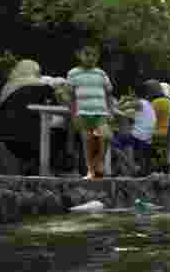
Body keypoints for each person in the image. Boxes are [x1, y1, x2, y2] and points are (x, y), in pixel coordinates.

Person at [67, 45, 115, 180]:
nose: (90, 57)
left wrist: (111, 111)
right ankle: (92, 172)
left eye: (94, 55)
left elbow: (109, 94)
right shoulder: (73, 73)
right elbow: (70, 97)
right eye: (87, 54)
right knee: (88, 142)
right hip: (83, 113)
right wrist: (73, 114)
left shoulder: (101, 73)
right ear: (80, 55)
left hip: (101, 113)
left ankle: (97, 165)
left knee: (105, 137)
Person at [111, 86, 157, 176]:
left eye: (130, 92)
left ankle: (131, 166)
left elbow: (116, 108)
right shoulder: (147, 103)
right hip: (147, 137)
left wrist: (123, 100)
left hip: (139, 136)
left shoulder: (137, 103)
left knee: (112, 142)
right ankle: (123, 170)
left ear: (133, 92)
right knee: (125, 140)